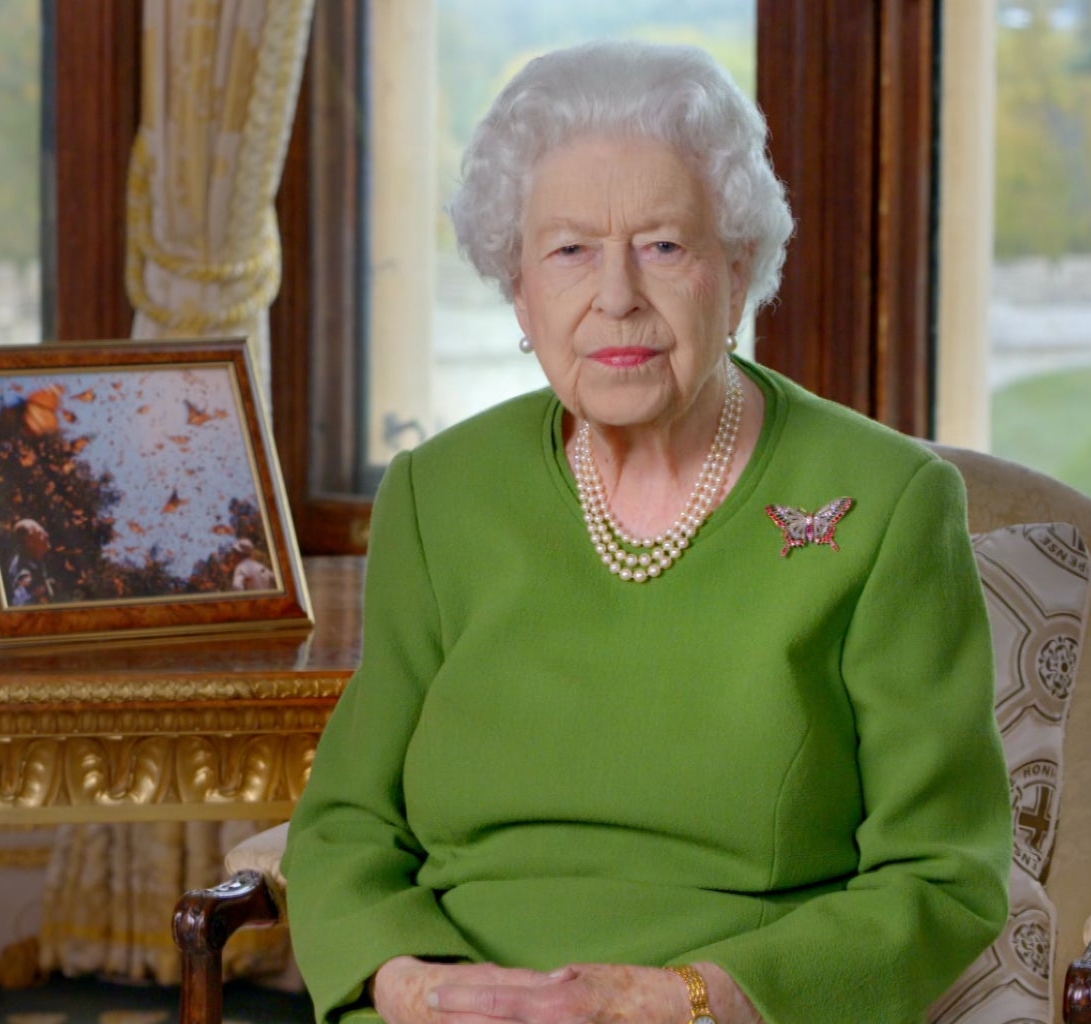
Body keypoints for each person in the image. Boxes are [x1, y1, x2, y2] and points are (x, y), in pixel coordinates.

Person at [283, 40, 1011, 1024]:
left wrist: (681, 998)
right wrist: (406, 981)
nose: (615, 295)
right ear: (517, 287)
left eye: (663, 245)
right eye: (569, 249)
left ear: (738, 265)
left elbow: (941, 875)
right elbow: (346, 821)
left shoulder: (885, 500)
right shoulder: (438, 493)